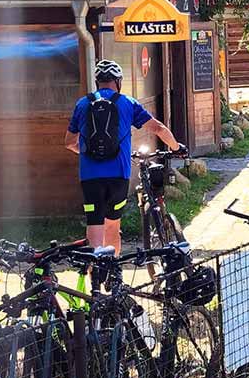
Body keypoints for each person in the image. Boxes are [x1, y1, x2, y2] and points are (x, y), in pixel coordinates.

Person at [66, 59, 182, 252]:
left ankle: (95, 276)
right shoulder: (127, 103)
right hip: (118, 176)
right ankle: (114, 276)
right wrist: (176, 147)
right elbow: (158, 128)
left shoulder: (82, 104)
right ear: (118, 81)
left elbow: (69, 142)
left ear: (97, 81)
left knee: (94, 226)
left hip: (90, 177)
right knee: (112, 225)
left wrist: (85, 152)